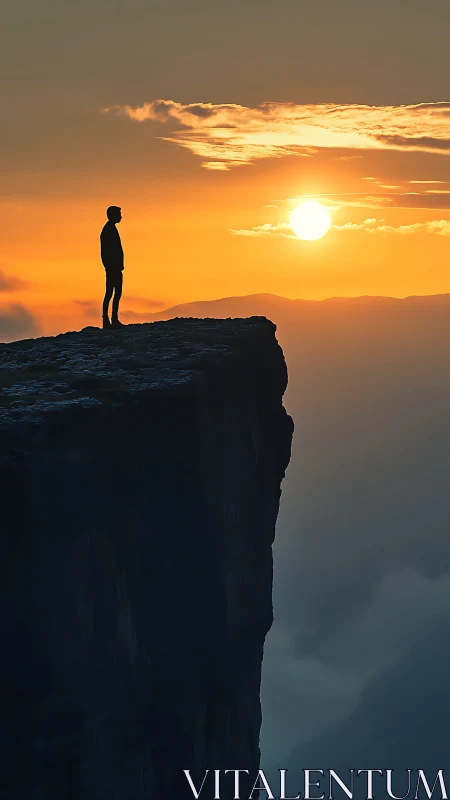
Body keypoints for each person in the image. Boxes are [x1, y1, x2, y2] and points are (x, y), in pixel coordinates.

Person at [100, 205, 124, 329]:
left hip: (115, 267)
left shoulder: (111, 229)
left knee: (115, 292)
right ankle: (108, 320)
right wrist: (110, 266)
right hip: (112, 267)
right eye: (119, 214)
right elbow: (106, 251)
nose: (121, 217)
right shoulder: (108, 230)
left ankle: (113, 319)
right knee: (111, 292)